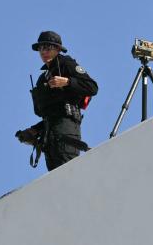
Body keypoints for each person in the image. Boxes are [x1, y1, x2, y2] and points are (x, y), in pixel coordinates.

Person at [16, 31, 98, 171]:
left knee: (68, 174)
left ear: (58, 49)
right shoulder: (43, 79)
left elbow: (92, 87)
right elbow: (52, 113)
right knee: (55, 180)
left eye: (48, 47)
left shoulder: (66, 63)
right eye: (41, 48)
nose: (43, 52)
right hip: (50, 137)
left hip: (66, 131)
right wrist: (34, 130)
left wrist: (67, 81)